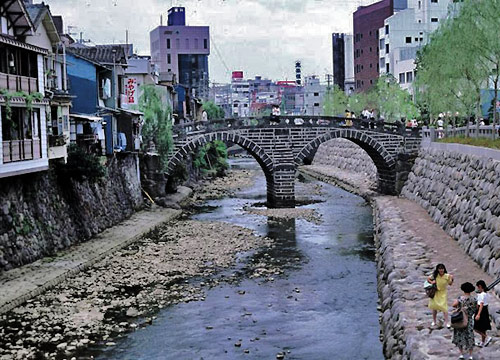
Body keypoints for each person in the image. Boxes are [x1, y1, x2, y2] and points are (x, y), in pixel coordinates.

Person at [452, 282, 477, 360]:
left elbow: (454, 305)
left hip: (461, 320)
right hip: (469, 320)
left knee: (459, 336)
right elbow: (476, 309)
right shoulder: (474, 299)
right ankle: (470, 355)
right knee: (469, 336)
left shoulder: (460, 298)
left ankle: (461, 353)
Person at [474, 280, 492, 347]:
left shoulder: (481, 295)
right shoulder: (487, 294)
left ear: (480, 286)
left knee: (476, 327)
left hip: (480, 310)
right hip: (485, 311)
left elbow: (481, 304)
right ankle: (482, 342)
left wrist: (478, 314)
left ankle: (486, 337)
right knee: (483, 328)